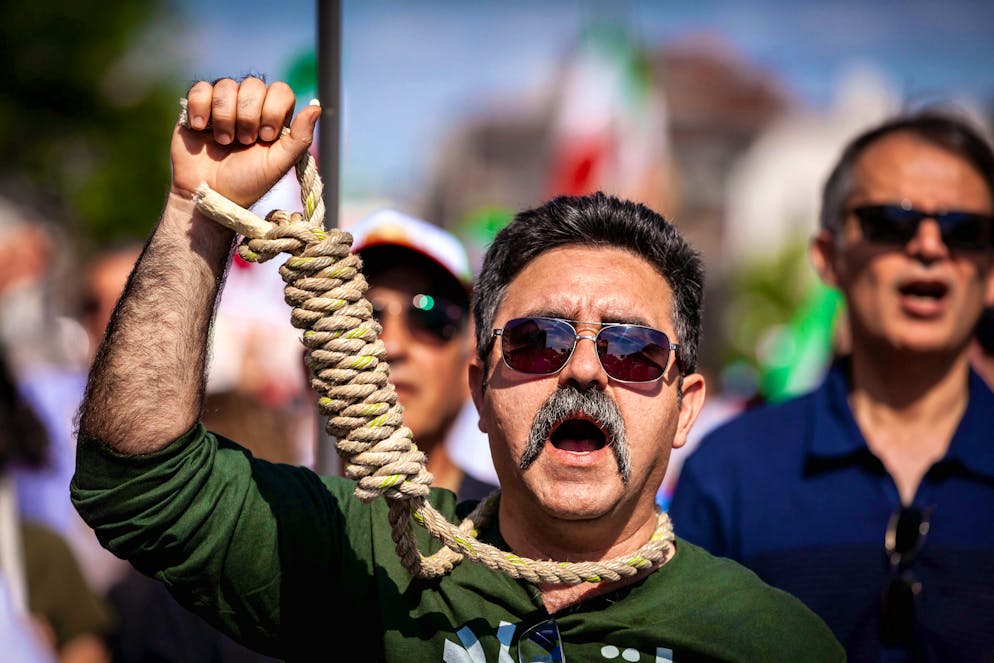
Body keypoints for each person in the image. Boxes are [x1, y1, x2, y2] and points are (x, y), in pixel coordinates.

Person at [70, 77, 843, 661]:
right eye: (538, 341)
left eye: (632, 350)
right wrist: (194, 210)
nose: (583, 373)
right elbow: (136, 481)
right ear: (480, 386)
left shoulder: (773, 641)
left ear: (686, 406)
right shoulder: (360, 559)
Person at [669, 110, 994, 662]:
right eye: (891, 222)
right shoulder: (732, 471)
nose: (930, 246)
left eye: (965, 229)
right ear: (828, 257)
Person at [346, 208, 497, 500]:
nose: (391, 346)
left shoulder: (514, 535)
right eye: (361, 316)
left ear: (473, 361)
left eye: (431, 318)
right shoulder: (269, 516)